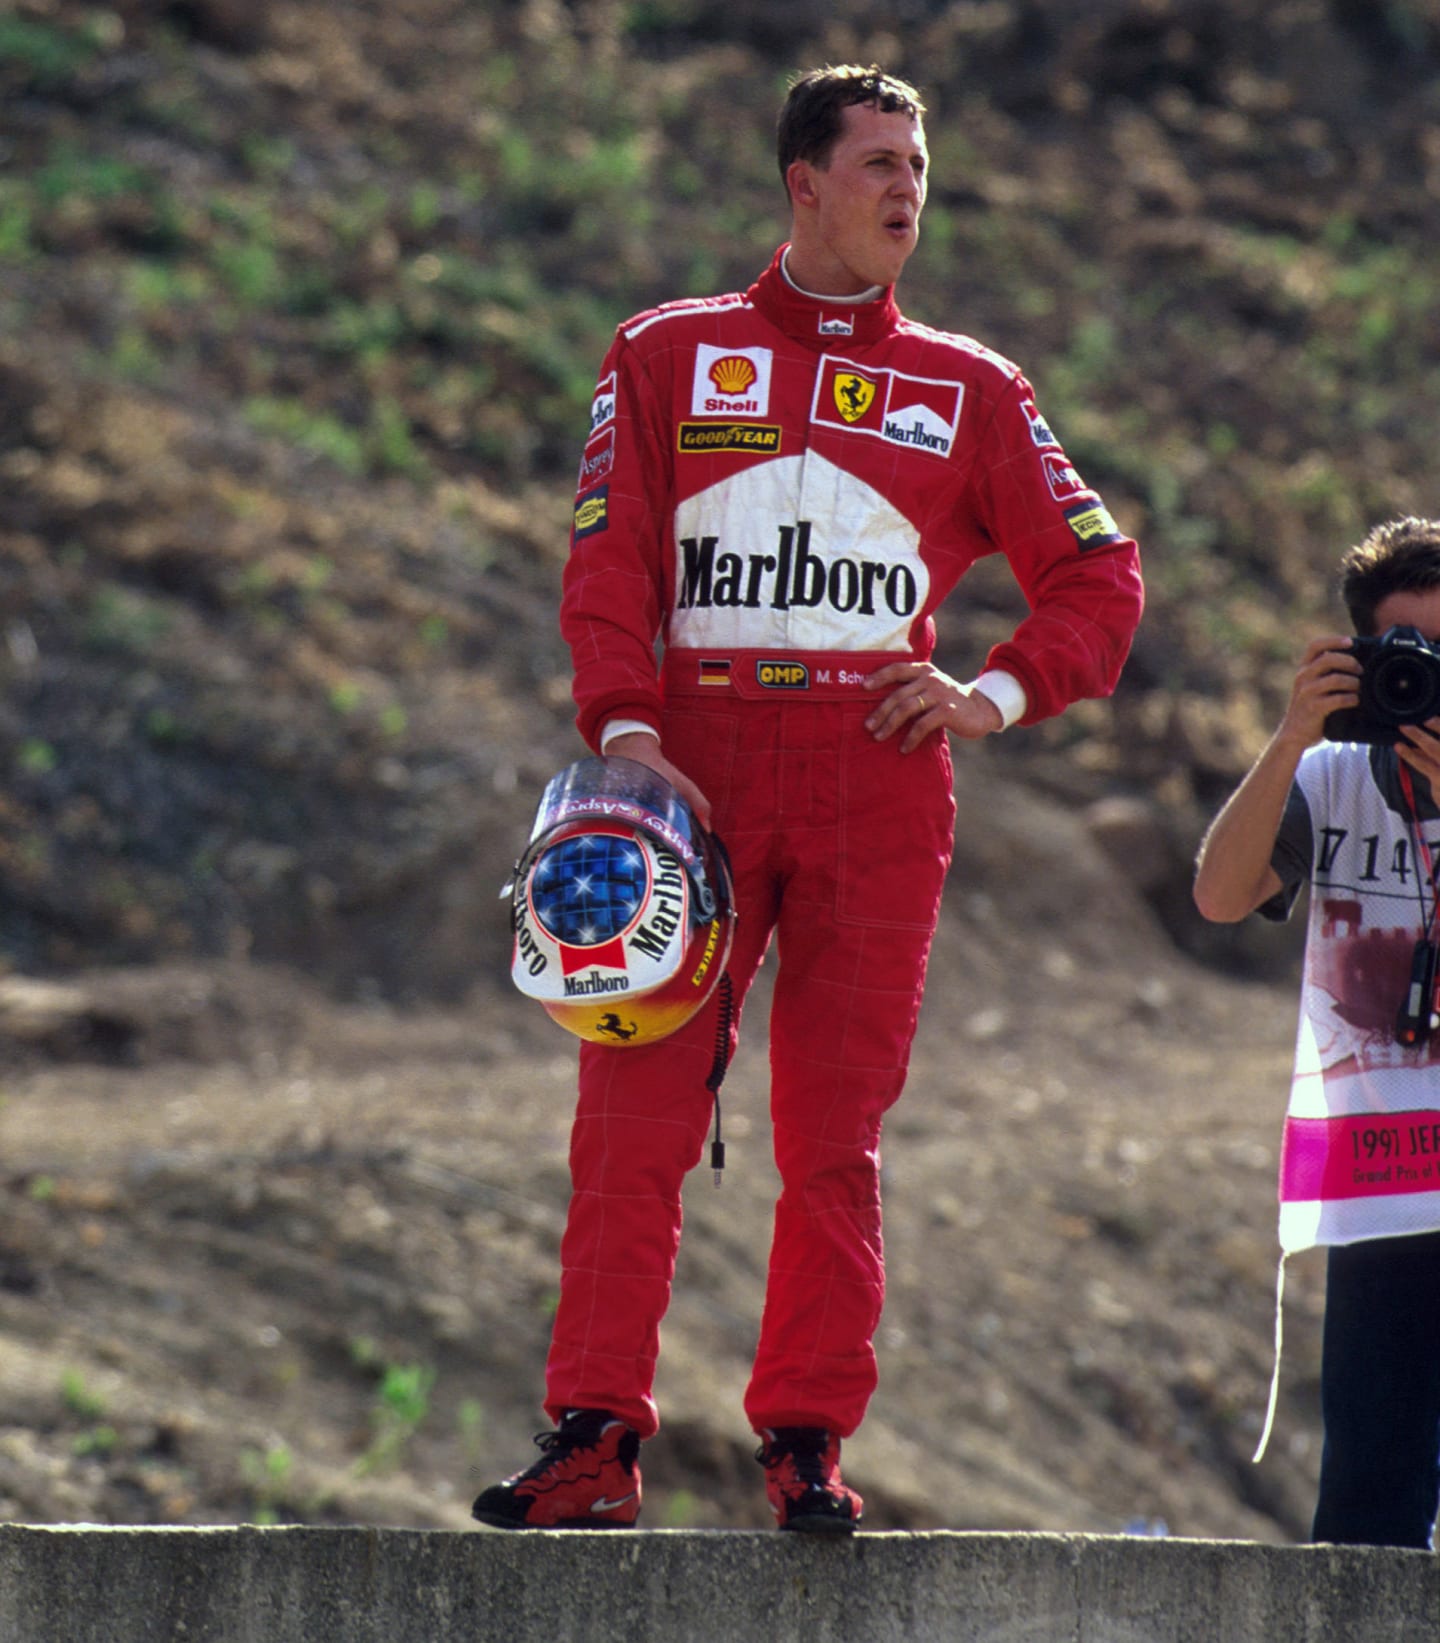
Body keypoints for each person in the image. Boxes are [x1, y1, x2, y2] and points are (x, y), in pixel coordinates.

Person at [473, 62, 1143, 1534]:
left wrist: (995, 692)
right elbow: (610, 559)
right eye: (881, 163)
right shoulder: (664, 351)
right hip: (692, 773)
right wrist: (628, 723)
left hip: (877, 776)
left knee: (834, 1129)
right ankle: (592, 1434)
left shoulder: (973, 385)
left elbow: (1100, 573)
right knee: (631, 1108)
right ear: (805, 183)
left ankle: (806, 1441)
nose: (910, 189)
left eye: (921, 165)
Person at [1193, 516, 1440, 1551]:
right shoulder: (1331, 777)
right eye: (1408, 656)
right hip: (1386, 1184)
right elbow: (1217, 893)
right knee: (1367, 1510)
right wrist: (1294, 733)